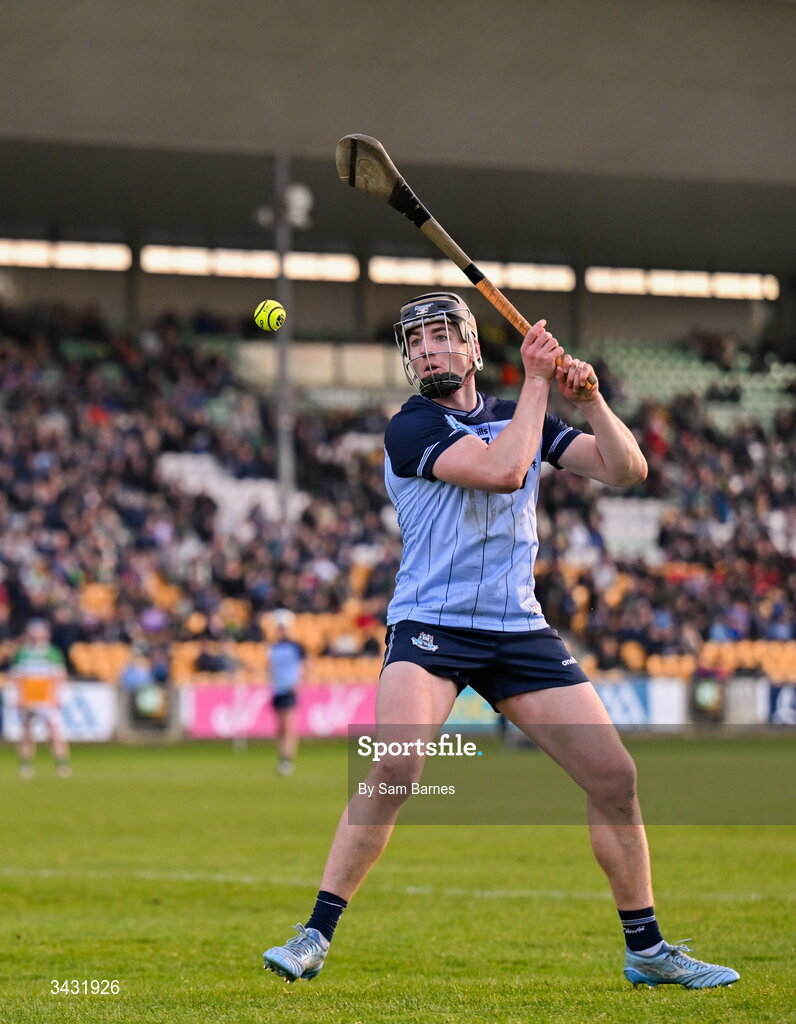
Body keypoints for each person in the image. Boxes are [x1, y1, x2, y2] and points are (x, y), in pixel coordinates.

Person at [262, 292, 739, 990]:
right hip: (432, 625)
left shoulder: (520, 414)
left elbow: (628, 470)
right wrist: (540, 385)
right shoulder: (412, 426)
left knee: (615, 778)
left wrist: (593, 400)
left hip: (517, 628)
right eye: (416, 343)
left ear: (473, 351)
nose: (426, 351)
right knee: (396, 768)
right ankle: (314, 934)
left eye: (440, 339)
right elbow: (501, 472)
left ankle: (646, 949)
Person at [10, 619, 71, 778]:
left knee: (54, 732)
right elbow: (16, 677)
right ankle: (25, 765)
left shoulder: (52, 653)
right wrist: (17, 696)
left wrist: (57, 697)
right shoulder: (22, 653)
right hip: (27, 699)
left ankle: (62, 764)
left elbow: (59, 676)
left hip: (47, 699)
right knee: (26, 732)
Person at [268, 610, 305, 776]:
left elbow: (305, 666)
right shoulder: (273, 647)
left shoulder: (296, 647)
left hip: (289, 689)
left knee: (289, 726)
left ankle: (287, 759)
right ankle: (282, 757)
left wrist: (298, 683)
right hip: (277, 689)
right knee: (280, 727)